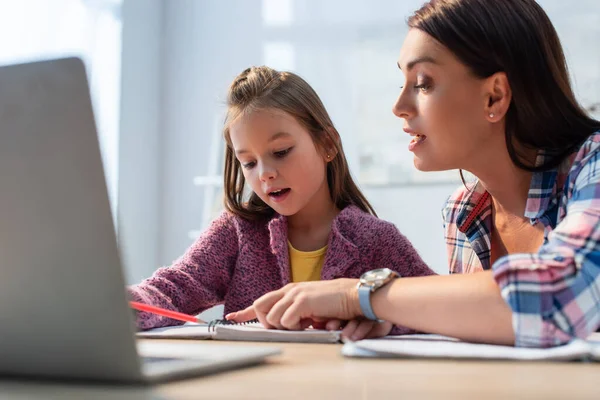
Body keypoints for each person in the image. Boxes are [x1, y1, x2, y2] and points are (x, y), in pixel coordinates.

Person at [227, 0, 600, 348]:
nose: (398, 106)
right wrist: (390, 315)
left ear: (494, 97)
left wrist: (357, 295)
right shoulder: (465, 213)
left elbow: (557, 302)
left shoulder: (593, 165)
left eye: (422, 83)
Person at [128, 66, 436, 338]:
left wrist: (386, 320)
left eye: (281, 152)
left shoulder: (377, 240)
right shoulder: (236, 232)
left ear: (327, 144)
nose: (265, 174)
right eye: (248, 163)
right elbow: (173, 287)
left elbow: (439, 310)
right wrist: (120, 305)